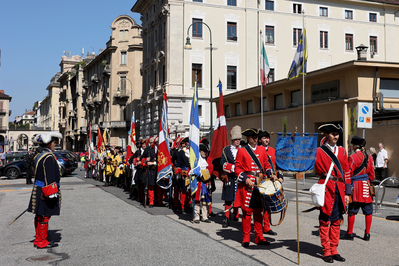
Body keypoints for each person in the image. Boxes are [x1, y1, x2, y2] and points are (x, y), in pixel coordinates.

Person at [315, 124, 351, 263]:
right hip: (326, 187)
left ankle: (334, 249)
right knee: (324, 221)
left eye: (337, 134)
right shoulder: (319, 151)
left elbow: (346, 171)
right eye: (332, 134)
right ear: (326, 135)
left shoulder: (342, 151)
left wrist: (347, 192)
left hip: (339, 189)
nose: (336, 136)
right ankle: (326, 251)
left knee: (336, 221)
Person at [234, 128, 272, 247]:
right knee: (246, 212)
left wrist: (271, 174)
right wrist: (245, 178)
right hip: (248, 184)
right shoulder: (242, 151)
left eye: (256, 137)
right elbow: (238, 168)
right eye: (252, 137)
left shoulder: (261, 149)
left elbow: (266, 164)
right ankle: (245, 238)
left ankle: (259, 237)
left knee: (258, 211)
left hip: (259, 183)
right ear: (248, 138)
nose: (255, 139)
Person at [27, 132, 62, 249]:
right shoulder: (48, 157)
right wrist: (49, 193)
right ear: (48, 144)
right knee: (44, 216)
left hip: (39, 188)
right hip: (46, 190)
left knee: (39, 214)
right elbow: (50, 176)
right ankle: (42, 241)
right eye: (53, 142)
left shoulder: (39, 155)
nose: (54, 144)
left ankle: (38, 239)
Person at [343, 136, 375, 241]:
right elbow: (372, 175)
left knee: (352, 210)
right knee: (368, 211)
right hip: (366, 185)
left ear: (354, 146)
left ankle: (350, 233)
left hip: (355, 187)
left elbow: (349, 173)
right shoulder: (370, 157)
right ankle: (367, 234)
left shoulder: (352, 157)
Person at [258, 130, 283, 236]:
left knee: (269, 205)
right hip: (262, 180)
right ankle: (261, 226)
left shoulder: (273, 151)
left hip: (273, 180)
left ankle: (267, 226)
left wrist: (280, 177)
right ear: (260, 140)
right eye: (264, 138)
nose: (267, 140)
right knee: (260, 206)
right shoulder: (258, 151)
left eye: (267, 138)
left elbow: (279, 165)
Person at [220, 125, 241, 228]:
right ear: (232, 139)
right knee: (228, 199)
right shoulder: (226, 150)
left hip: (241, 177)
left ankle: (236, 215)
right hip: (230, 177)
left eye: (239, 139)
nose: (237, 141)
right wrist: (232, 167)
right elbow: (222, 163)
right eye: (236, 139)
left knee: (239, 198)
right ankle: (226, 218)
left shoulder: (243, 149)